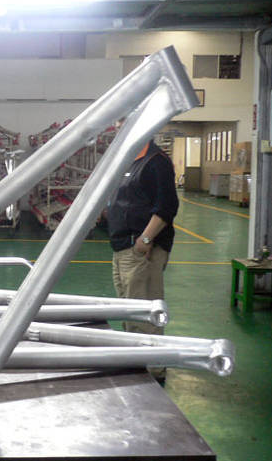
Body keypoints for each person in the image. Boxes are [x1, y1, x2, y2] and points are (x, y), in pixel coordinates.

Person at [107, 137, 179, 381]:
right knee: (129, 311)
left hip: (141, 250)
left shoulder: (156, 162)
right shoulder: (130, 160)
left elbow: (167, 206)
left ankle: (153, 372)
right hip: (122, 247)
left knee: (144, 313)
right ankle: (136, 365)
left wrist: (145, 240)